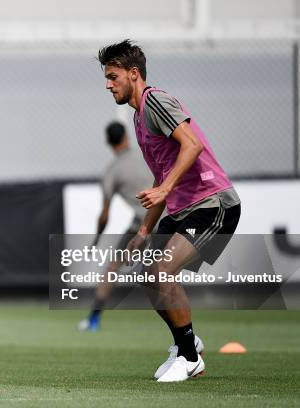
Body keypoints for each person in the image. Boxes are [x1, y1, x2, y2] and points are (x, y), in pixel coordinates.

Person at [97, 39, 241, 382]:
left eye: (113, 76)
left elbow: (192, 145)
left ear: (134, 74)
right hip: (183, 207)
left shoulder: (155, 101)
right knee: (148, 271)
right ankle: (186, 344)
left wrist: (163, 188)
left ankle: (190, 358)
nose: (108, 84)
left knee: (162, 267)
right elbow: (162, 177)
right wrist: (144, 231)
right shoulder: (138, 118)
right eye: (106, 77)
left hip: (212, 202)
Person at [77, 121, 151, 332]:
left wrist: (96, 240)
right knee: (166, 272)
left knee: (112, 268)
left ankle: (93, 320)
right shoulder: (148, 155)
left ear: (108, 142)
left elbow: (104, 215)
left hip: (141, 225)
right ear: (127, 137)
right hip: (167, 219)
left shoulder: (112, 171)